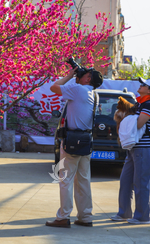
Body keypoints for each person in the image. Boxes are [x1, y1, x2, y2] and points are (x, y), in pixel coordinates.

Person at [45, 65, 104, 228]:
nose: (79, 76)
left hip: (72, 140)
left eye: (83, 75)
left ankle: (63, 216)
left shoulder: (78, 89)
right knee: (83, 180)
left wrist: (70, 76)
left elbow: (53, 87)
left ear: (88, 79)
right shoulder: (94, 94)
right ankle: (85, 216)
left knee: (65, 179)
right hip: (85, 140)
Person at [112, 77, 150, 225]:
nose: (140, 85)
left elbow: (138, 124)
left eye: (143, 84)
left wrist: (127, 119)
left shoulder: (149, 105)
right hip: (133, 148)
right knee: (125, 181)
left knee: (140, 183)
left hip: (144, 149)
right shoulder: (139, 105)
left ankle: (142, 216)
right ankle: (124, 213)